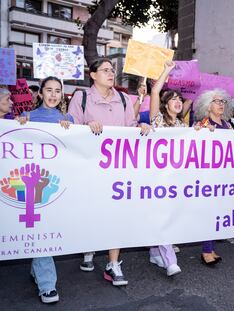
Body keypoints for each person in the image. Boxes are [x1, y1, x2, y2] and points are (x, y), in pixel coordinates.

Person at [68, 58, 150, 286]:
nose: (110, 73)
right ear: (93, 75)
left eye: (112, 70)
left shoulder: (123, 98)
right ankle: (89, 246)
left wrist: (140, 127)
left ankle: (113, 264)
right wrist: (86, 128)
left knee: (116, 214)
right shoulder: (81, 97)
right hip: (89, 168)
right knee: (92, 211)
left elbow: (130, 126)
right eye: (104, 70)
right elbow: (69, 129)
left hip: (118, 168)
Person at [16, 76, 74, 304]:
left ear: (62, 95)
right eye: (48, 90)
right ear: (39, 93)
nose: (52, 95)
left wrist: (81, 129)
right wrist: (18, 124)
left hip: (59, 185)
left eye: (57, 91)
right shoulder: (26, 118)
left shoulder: (68, 119)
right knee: (41, 230)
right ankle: (47, 284)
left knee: (47, 230)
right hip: (33, 184)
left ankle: (37, 269)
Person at [194, 88, 234, 265]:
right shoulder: (203, 123)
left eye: (223, 101)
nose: (221, 104)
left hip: (224, 177)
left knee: (216, 213)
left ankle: (211, 247)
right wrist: (201, 130)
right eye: (217, 101)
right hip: (208, 177)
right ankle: (206, 251)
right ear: (208, 106)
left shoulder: (228, 125)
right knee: (209, 212)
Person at [146, 60, 188, 276]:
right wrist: (167, 70)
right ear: (164, 104)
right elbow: (154, 91)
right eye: (173, 99)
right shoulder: (157, 120)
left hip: (176, 179)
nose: (178, 101)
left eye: (179, 99)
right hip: (157, 178)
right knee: (162, 217)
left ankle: (155, 252)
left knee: (166, 217)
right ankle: (170, 259)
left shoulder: (184, 126)